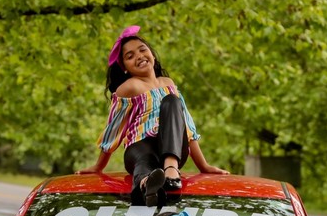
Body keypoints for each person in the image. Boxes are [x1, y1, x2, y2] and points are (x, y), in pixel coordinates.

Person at [78, 26, 228, 205]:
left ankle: (170, 171)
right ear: (124, 68)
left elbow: (187, 127)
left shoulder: (168, 83)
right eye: (130, 56)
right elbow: (114, 129)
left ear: (152, 55)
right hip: (140, 147)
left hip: (172, 148)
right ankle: (147, 184)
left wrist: (204, 166)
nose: (139, 56)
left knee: (172, 101)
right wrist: (99, 166)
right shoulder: (129, 87)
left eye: (142, 50)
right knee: (144, 159)